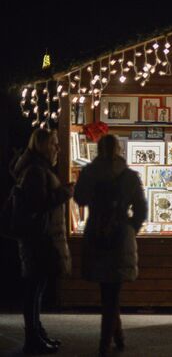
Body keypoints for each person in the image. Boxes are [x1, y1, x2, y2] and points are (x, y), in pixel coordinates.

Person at [74, 134, 147, 356]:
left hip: (96, 231)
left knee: (106, 289)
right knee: (112, 289)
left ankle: (111, 338)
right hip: (120, 234)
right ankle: (110, 340)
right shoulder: (130, 176)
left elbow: (80, 199)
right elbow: (141, 210)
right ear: (118, 149)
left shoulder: (89, 173)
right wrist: (129, 228)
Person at [11, 128, 72, 354]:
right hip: (38, 239)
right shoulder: (36, 171)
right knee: (34, 288)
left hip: (37, 238)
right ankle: (33, 337)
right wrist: (64, 193)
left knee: (36, 288)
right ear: (44, 145)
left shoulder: (37, 169)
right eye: (54, 143)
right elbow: (37, 204)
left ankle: (37, 333)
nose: (57, 148)